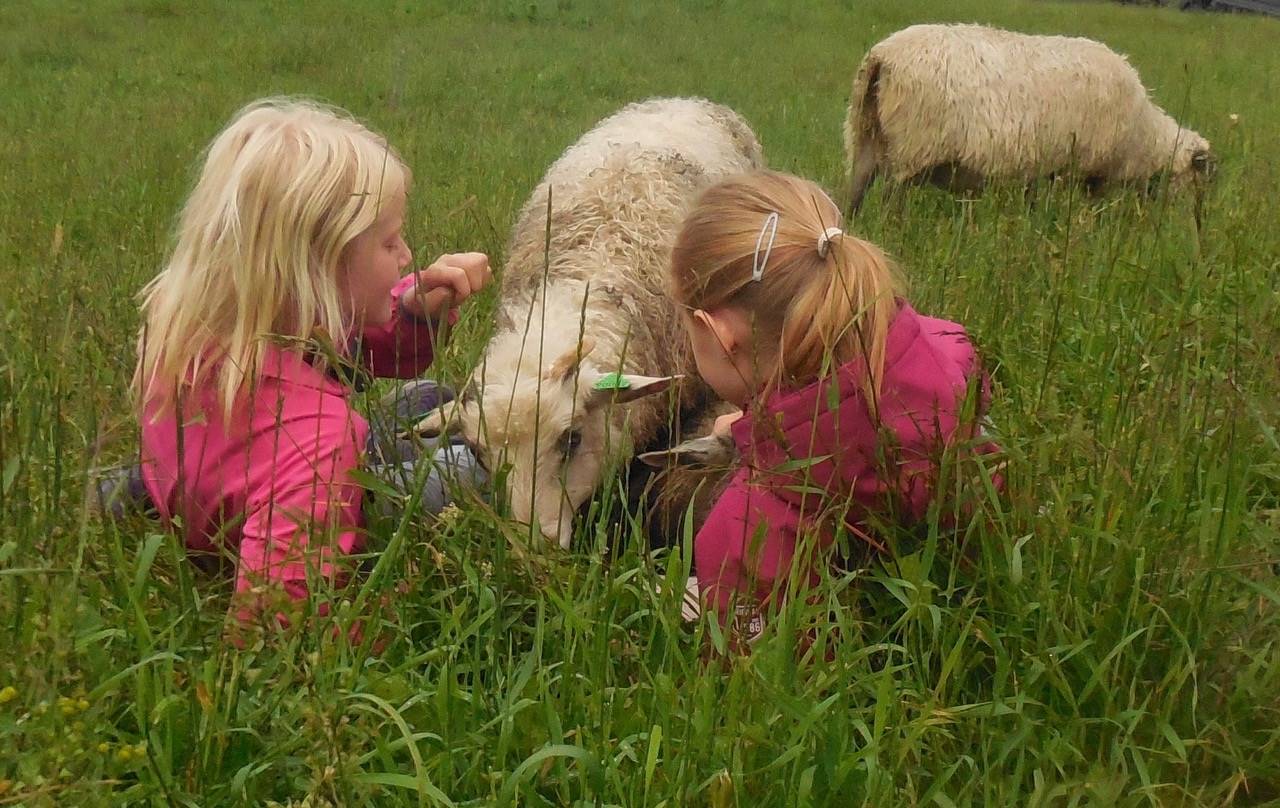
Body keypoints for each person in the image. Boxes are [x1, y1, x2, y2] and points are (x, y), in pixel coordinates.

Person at [127, 97, 489, 626]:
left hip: (230, 483)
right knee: (483, 465)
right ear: (315, 271)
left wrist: (415, 311)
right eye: (390, 242)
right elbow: (276, 616)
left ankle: (122, 491)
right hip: (297, 500)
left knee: (431, 395)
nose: (407, 254)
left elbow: (350, 346)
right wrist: (391, 619)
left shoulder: (196, 324)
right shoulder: (318, 435)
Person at [667, 170, 1000, 644]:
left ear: (721, 335)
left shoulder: (746, 531)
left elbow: (759, 682)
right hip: (980, 614)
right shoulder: (947, 351)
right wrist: (757, 428)